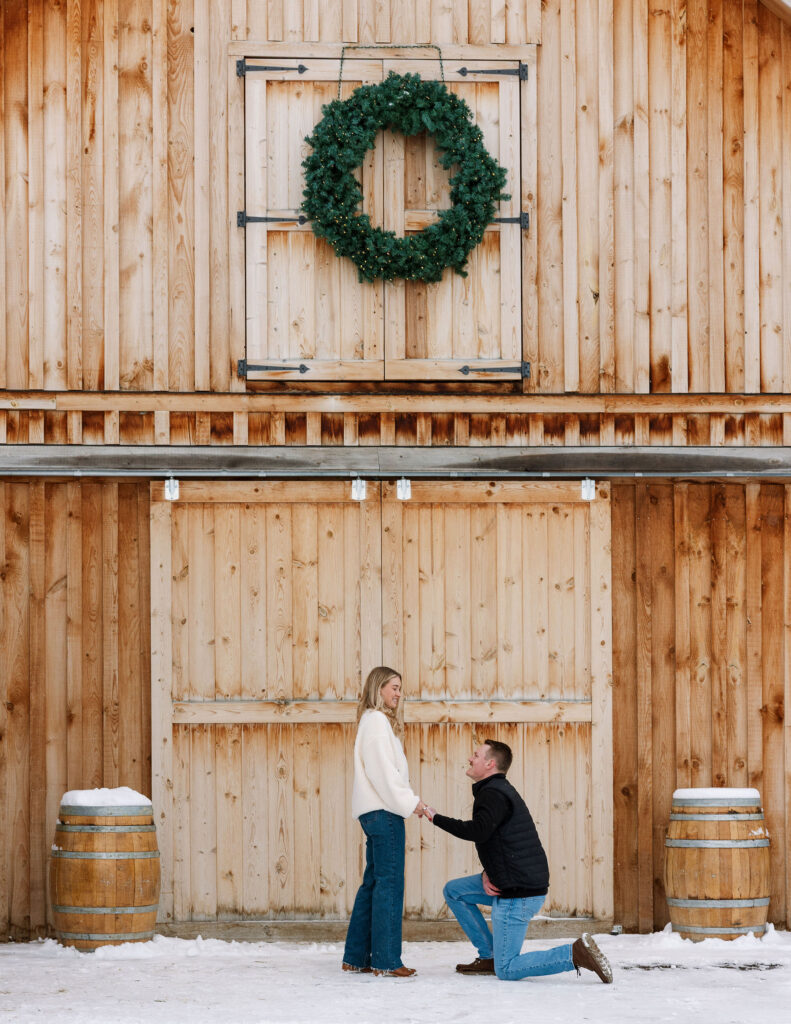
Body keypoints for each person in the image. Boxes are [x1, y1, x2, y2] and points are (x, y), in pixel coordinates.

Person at [424, 739, 612, 984]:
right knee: (455, 891)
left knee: (508, 968)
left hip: (517, 894)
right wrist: (487, 872)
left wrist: (435, 817)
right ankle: (490, 955)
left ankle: (574, 954)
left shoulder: (492, 793)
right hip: (513, 881)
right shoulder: (496, 790)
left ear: (490, 764)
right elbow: (500, 840)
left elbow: (479, 832)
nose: (470, 759)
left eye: (476, 755)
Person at [341, 666, 428, 978]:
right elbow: (382, 773)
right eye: (393, 687)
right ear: (378, 688)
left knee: (373, 884)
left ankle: (356, 957)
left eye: (400, 688)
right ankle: (386, 961)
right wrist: (410, 802)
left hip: (372, 813)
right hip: (385, 813)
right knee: (390, 886)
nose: (398, 694)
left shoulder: (370, 722)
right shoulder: (377, 722)